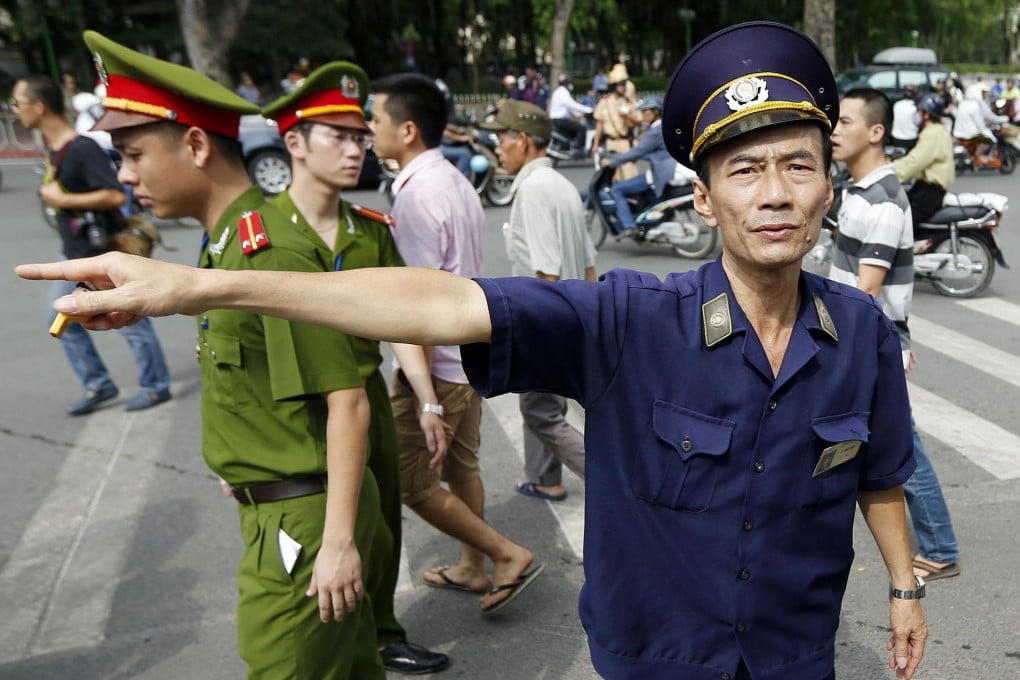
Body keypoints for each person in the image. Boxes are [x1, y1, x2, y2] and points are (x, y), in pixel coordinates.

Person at [21, 21, 929, 680]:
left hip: (795, 661)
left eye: (798, 165)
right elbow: (440, 300)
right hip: (660, 663)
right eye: (745, 170)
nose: (774, 192)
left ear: (829, 191)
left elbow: (877, 476)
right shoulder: (626, 322)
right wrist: (203, 287)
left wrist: (903, 589)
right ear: (704, 201)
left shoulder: (860, 338)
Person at [80, 31, 384, 679]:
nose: (125, 176)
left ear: (194, 146)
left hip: (303, 528)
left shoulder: (265, 246)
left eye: (132, 155)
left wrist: (336, 546)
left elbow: (348, 400)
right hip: (285, 510)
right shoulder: (228, 243)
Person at [261, 62, 451, 675]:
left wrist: (426, 401)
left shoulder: (368, 232)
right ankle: (330, 645)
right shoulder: (256, 237)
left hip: (364, 390)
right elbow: (231, 346)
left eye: (360, 135)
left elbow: (406, 322)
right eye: (337, 136)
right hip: (297, 407)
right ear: (294, 143)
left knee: (380, 522)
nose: (356, 148)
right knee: (310, 543)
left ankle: (382, 630)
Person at [368, 73, 544, 614]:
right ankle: (472, 566)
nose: (369, 130)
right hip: (465, 356)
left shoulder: (420, 195)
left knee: (407, 478)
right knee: (461, 467)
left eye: (375, 120)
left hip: (438, 366)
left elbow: (413, 302)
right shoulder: (452, 179)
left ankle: (503, 554)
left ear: (408, 130)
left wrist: (422, 396)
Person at [830, 88, 961, 585]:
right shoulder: (858, 190)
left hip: (873, 342)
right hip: (861, 340)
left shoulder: (884, 201)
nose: (834, 130)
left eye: (844, 122)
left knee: (902, 444)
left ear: (876, 132)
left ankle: (941, 547)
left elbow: (866, 291)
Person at [12, 73, 171, 415]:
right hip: (73, 251)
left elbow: (115, 195)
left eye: (18, 104)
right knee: (59, 319)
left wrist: (63, 200)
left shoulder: (82, 148)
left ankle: (156, 386)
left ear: (39, 107)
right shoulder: (53, 149)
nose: (15, 111)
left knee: (131, 321)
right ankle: (99, 383)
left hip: (102, 252)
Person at [480, 100, 592, 503]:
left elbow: (546, 273)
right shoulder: (562, 185)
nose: (497, 148)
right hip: (576, 317)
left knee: (539, 412)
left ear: (523, 141)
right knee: (545, 407)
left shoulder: (532, 190)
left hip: (547, 323)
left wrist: (534, 339)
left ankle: (607, 475)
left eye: (500, 139)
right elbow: (590, 265)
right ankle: (545, 478)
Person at [600, 95, 677, 235]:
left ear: (655, 112)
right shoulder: (662, 128)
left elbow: (638, 151)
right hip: (664, 169)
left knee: (617, 189)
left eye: (645, 111)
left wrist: (613, 162)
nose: (643, 114)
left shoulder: (656, 131)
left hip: (660, 173)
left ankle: (630, 226)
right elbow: (649, 152)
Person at [894, 93, 955, 226]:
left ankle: (907, 247)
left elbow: (914, 162)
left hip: (929, 193)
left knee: (901, 223)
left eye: (918, 111)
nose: (916, 115)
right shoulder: (937, 131)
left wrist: (888, 172)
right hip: (925, 188)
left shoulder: (932, 134)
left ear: (926, 114)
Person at [591, 65, 642, 181]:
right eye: (620, 84)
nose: (623, 87)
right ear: (614, 86)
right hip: (610, 143)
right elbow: (600, 123)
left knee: (630, 175)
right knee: (614, 177)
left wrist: (627, 115)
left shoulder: (630, 102)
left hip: (625, 142)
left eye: (624, 84)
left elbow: (639, 120)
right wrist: (596, 143)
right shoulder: (605, 101)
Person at [953, 86, 1008, 166]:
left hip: (958, 132)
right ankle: (978, 155)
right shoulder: (975, 105)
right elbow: (980, 121)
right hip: (970, 133)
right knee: (989, 140)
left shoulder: (963, 103)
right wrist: (985, 127)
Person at [548, 74, 592, 157]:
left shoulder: (558, 92)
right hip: (559, 120)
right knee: (581, 129)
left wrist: (578, 114)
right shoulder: (563, 92)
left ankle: (570, 146)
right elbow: (572, 105)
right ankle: (577, 149)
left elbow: (569, 109)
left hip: (557, 120)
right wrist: (588, 109)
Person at [890, 84, 919, 151]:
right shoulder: (914, 108)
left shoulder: (896, 105)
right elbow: (918, 122)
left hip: (896, 138)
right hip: (911, 139)